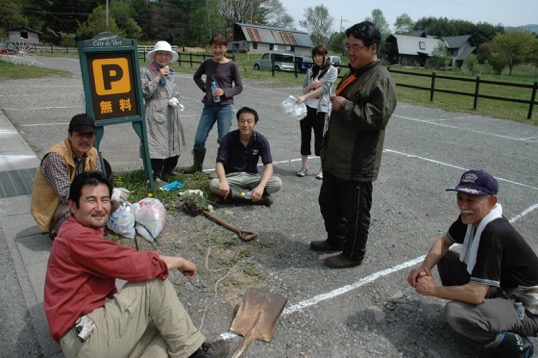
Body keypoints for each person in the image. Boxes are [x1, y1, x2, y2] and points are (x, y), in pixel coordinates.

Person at [44, 171, 229, 358]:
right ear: (73, 206)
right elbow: (135, 265)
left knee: (168, 332)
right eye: (91, 200)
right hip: (86, 338)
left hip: (84, 337)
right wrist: (179, 261)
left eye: (105, 200)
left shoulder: (76, 231)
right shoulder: (78, 237)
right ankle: (197, 354)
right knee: (152, 284)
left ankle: (184, 349)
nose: (100, 207)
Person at [407, 169, 538, 356]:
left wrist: (432, 290)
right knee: (446, 258)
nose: (462, 205)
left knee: (455, 313)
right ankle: (486, 314)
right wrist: (425, 269)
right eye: (460, 198)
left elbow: (476, 294)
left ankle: (514, 345)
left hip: (527, 309)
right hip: (503, 290)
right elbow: (443, 242)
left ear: (491, 201)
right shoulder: (472, 218)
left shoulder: (494, 232)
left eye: (470, 200)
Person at [310, 21, 397, 268]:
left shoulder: (380, 78)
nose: (350, 52)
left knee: (355, 212)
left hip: (357, 161)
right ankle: (336, 239)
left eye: (356, 47)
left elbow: (378, 117)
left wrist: (344, 105)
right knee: (328, 202)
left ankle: (353, 254)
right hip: (337, 156)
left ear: (373, 48)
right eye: (348, 46)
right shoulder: (356, 72)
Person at [30, 113, 129, 241]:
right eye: (80, 135)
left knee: (113, 201)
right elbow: (65, 194)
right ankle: (57, 232)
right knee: (74, 210)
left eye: (89, 135)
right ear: (70, 135)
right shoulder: (55, 156)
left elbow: (99, 180)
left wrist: (110, 192)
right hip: (58, 206)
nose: (85, 139)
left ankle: (96, 227)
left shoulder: (92, 152)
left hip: (82, 197)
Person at [182, 34, 243, 174]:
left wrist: (225, 92)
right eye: (215, 47)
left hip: (225, 107)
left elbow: (239, 87)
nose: (217, 50)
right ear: (211, 48)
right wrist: (204, 87)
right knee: (199, 139)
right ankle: (197, 166)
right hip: (209, 106)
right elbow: (196, 76)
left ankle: (221, 169)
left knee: (223, 140)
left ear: (226, 48)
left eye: (220, 47)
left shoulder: (232, 65)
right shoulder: (207, 63)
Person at [208, 107, 281, 206]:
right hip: (232, 177)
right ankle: (255, 198)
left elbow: (269, 166)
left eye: (249, 121)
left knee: (276, 183)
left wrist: (261, 186)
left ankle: (233, 196)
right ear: (238, 122)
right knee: (214, 184)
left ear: (255, 124)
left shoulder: (261, 140)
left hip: (252, 178)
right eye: (242, 121)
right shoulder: (228, 139)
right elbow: (219, 163)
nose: (245, 124)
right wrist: (224, 181)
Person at [141, 40, 185, 182]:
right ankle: (155, 175)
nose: (163, 57)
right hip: (154, 112)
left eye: (166, 54)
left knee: (173, 142)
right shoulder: (146, 71)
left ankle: (168, 170)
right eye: (160, 54)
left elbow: (176, 91)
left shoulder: (170, 73)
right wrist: (158, 76)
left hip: (170, 112)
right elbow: (145, 92)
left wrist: (175, 99)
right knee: (156, 144)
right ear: (155, 56)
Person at [295, 44, 338, 180]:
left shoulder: (332, 70)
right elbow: (303, 89)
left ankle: (322, 168)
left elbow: (325, 89)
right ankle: (304, 166)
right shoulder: (310, 71)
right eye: (315, 56)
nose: (317, 58)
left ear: (326, 56)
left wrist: (306, 96)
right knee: (305, 137)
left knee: (321, 139)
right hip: (307, 109)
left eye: (320, 55)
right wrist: (310, 86)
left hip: (321, 110)